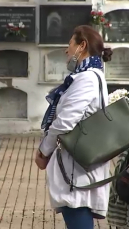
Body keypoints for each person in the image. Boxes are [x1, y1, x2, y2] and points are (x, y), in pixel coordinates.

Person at [35, 25, 113, 229]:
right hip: (77, 164)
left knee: (77, 213)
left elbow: (65, 121)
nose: (66, 50)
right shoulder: (88, 75)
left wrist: (44, 151)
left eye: (70, 44)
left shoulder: (87, 78)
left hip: (76, 166)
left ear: (82, 46)